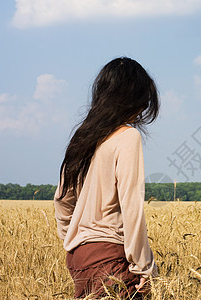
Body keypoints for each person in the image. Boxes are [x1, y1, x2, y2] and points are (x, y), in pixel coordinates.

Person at [53, 57, 159, 299]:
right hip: (109, 254)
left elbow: (61, 197)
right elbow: (131, 206)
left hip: (78, 257)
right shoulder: (127, 137)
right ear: (133, 97)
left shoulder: (84, 137)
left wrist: (78, 238)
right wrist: (144, 267)